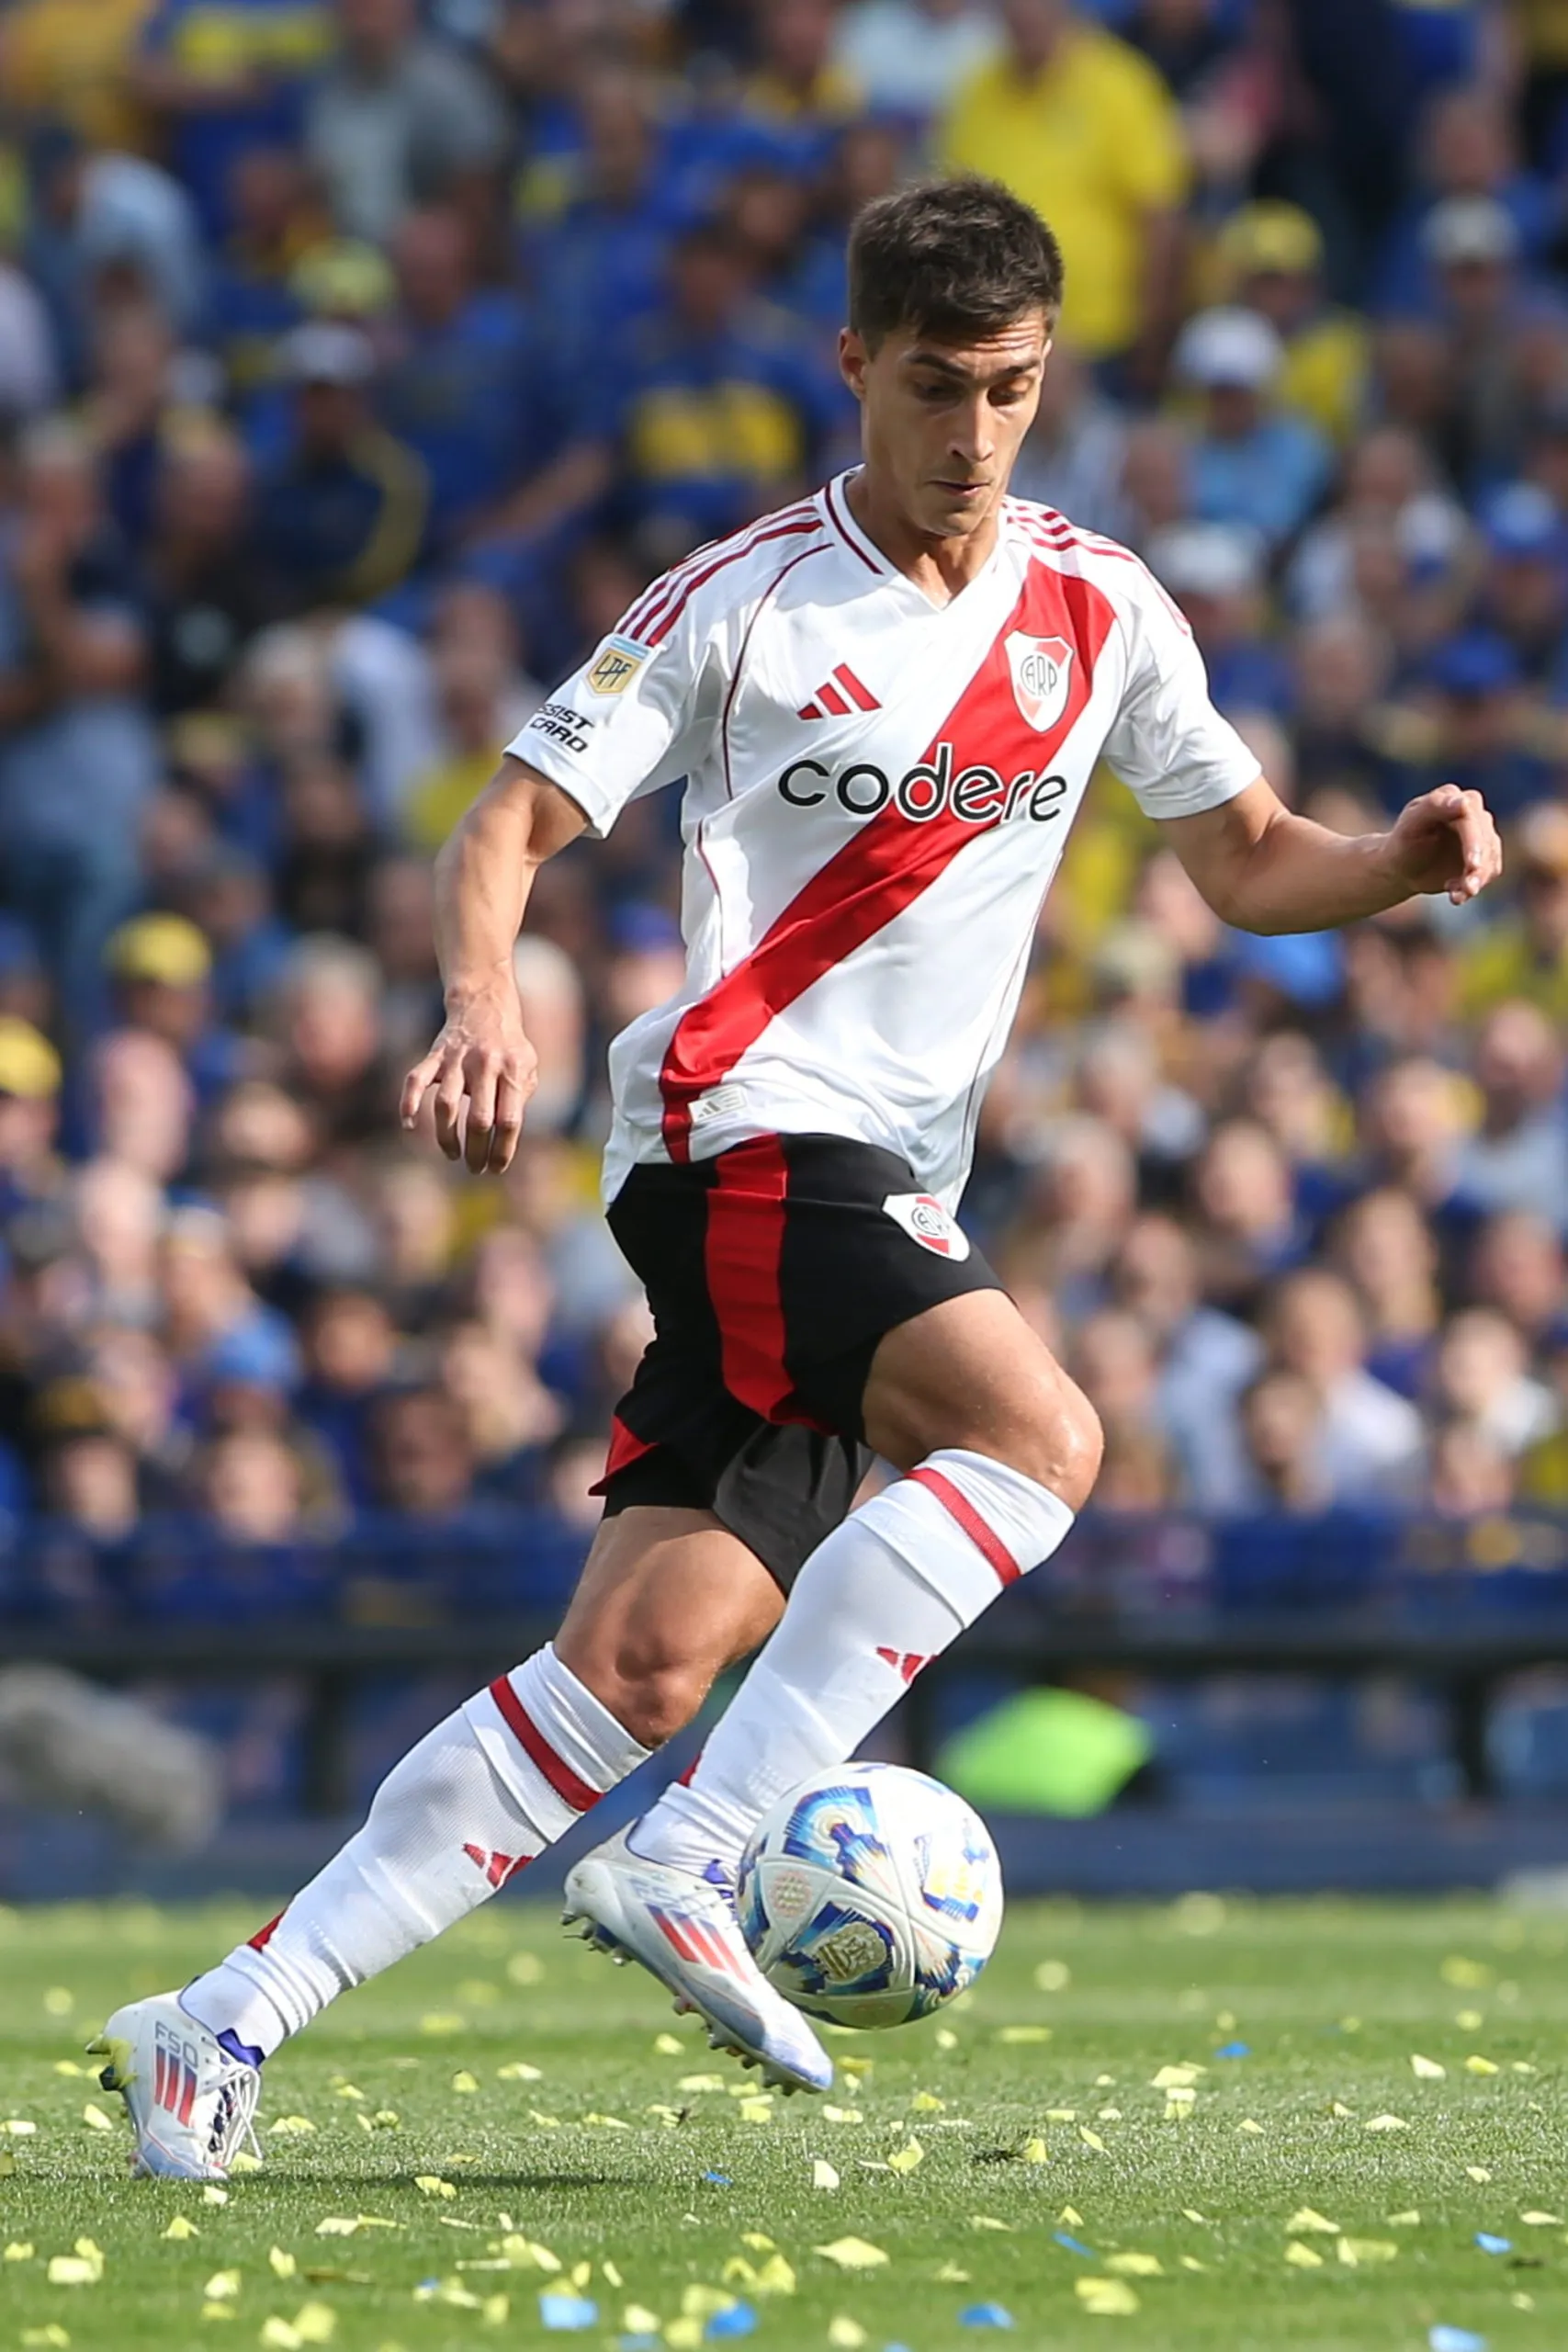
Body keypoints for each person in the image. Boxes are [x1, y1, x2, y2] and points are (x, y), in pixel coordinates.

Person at [93, 175, 1504, 2178]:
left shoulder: (1102, 609)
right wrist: (482, 998)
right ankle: (703, 1850)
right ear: (854, 365)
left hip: (878, 1183)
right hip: (733, 1128)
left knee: (637, 1663)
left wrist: (1396, 868)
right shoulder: (739, 602)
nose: (976, 430)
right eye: (937, 385)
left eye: (1013, 386)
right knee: (1040, 1433)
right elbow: (499, 822)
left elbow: (1245, 847)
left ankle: (219, 2019)